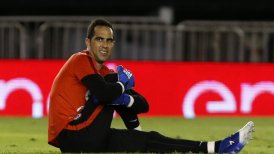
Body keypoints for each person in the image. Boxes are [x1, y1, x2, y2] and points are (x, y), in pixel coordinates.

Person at [48, 18, 255, 153]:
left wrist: (125, 97)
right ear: (88, 42)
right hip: (72, 134)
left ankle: (215, 148)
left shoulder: (106, 73)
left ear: (113, 44)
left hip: (89, 137)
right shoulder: (80, 60)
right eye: (99, 39)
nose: (104, 45)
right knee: (112, 87)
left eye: (109, 40)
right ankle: (135, 129)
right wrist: (121, 86)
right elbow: (103, 93)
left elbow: (143, 105)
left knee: (149, 140)